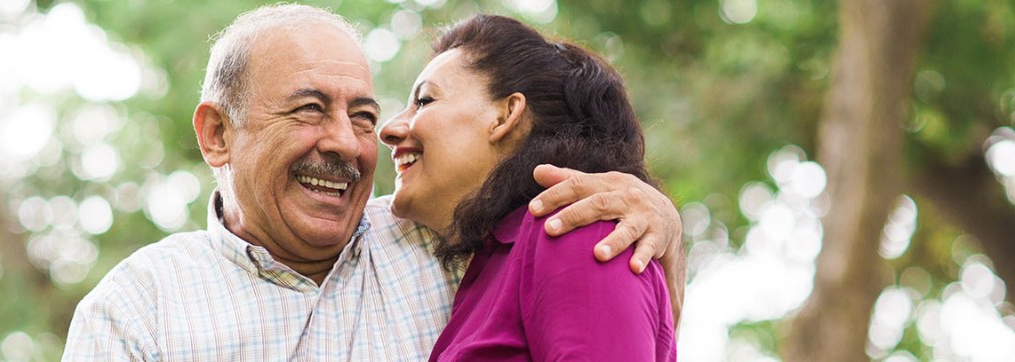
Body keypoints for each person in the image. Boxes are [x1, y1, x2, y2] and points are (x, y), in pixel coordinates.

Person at [62, 4, 683, 361]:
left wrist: (659, 222)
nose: (355, 140)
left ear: (507, 116)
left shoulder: (444, 238)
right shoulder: (137, 309)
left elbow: (614, 311)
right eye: (308, 109)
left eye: (361, 114)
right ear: (217, 134)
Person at [379, 15, 675, 360]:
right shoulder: (492, 268)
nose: (389, 128)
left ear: (506, 116)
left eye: (425, 100)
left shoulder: (576, 228)